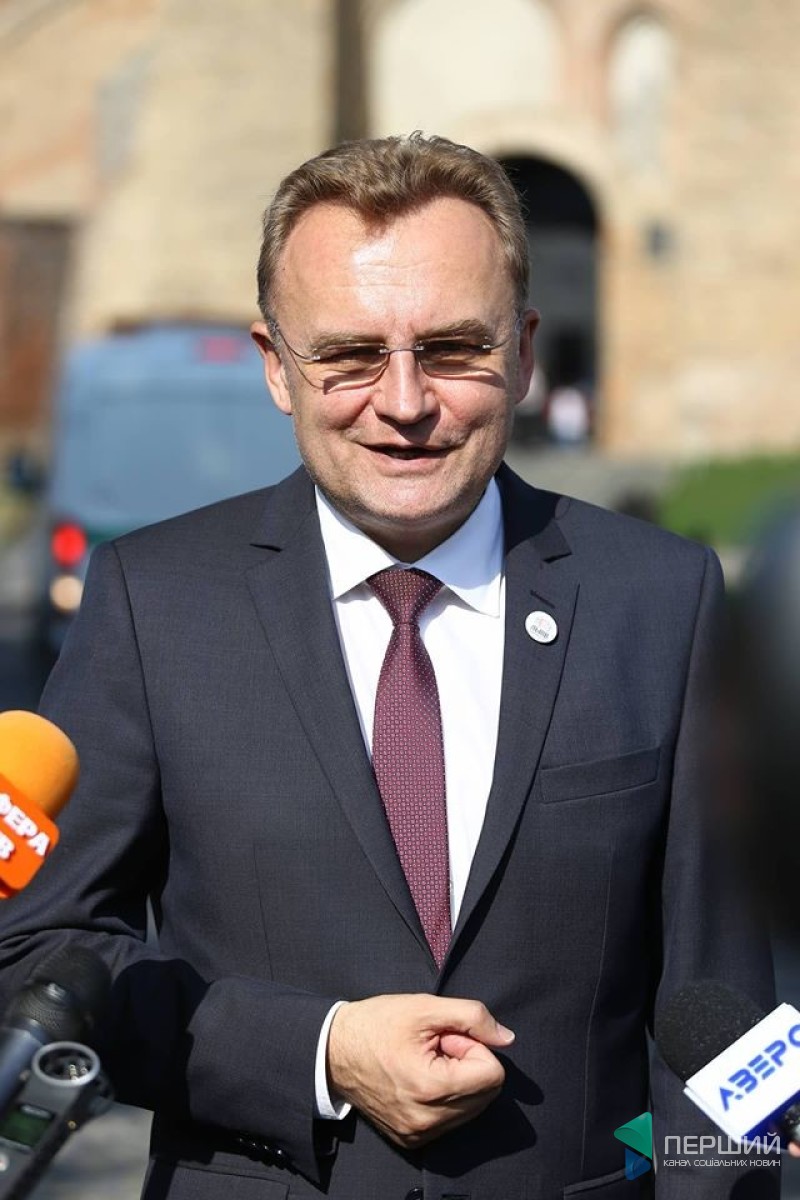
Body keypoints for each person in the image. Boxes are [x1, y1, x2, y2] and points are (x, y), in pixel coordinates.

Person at [0, 134, 777, 1198]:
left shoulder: (662, 600)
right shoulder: (155, 603)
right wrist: (317, 1053)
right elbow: (36, 956)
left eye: (451, 349)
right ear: (276, 366)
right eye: (350, 355)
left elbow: (728, 1023)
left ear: (523, 353)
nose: (403, 402)